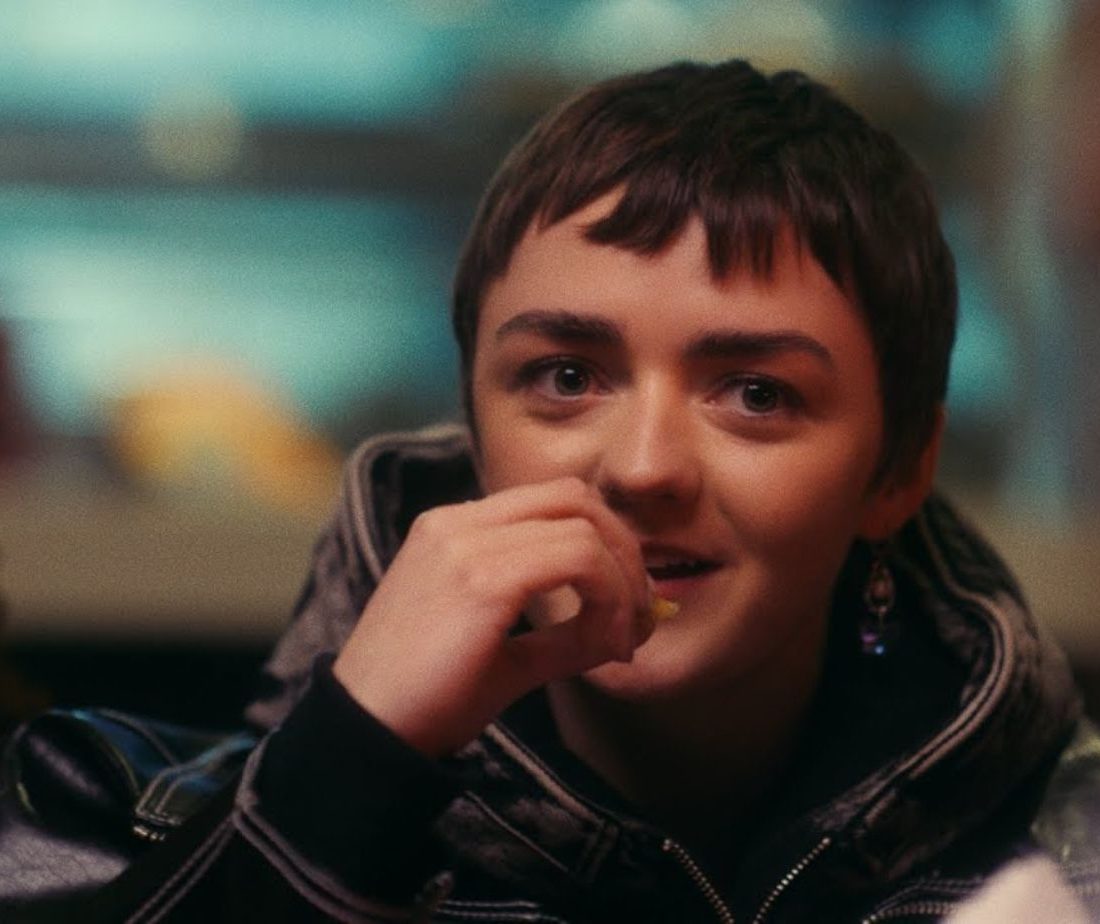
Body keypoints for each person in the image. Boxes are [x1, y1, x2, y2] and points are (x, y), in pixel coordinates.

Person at [3, 58, 1100, 923]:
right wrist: (340, 773)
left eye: (755, 394)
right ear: (476, 435)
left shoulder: (1072, 867)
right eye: (567, 378)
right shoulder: (93, 808)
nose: (643, 467)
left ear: (898, 471)